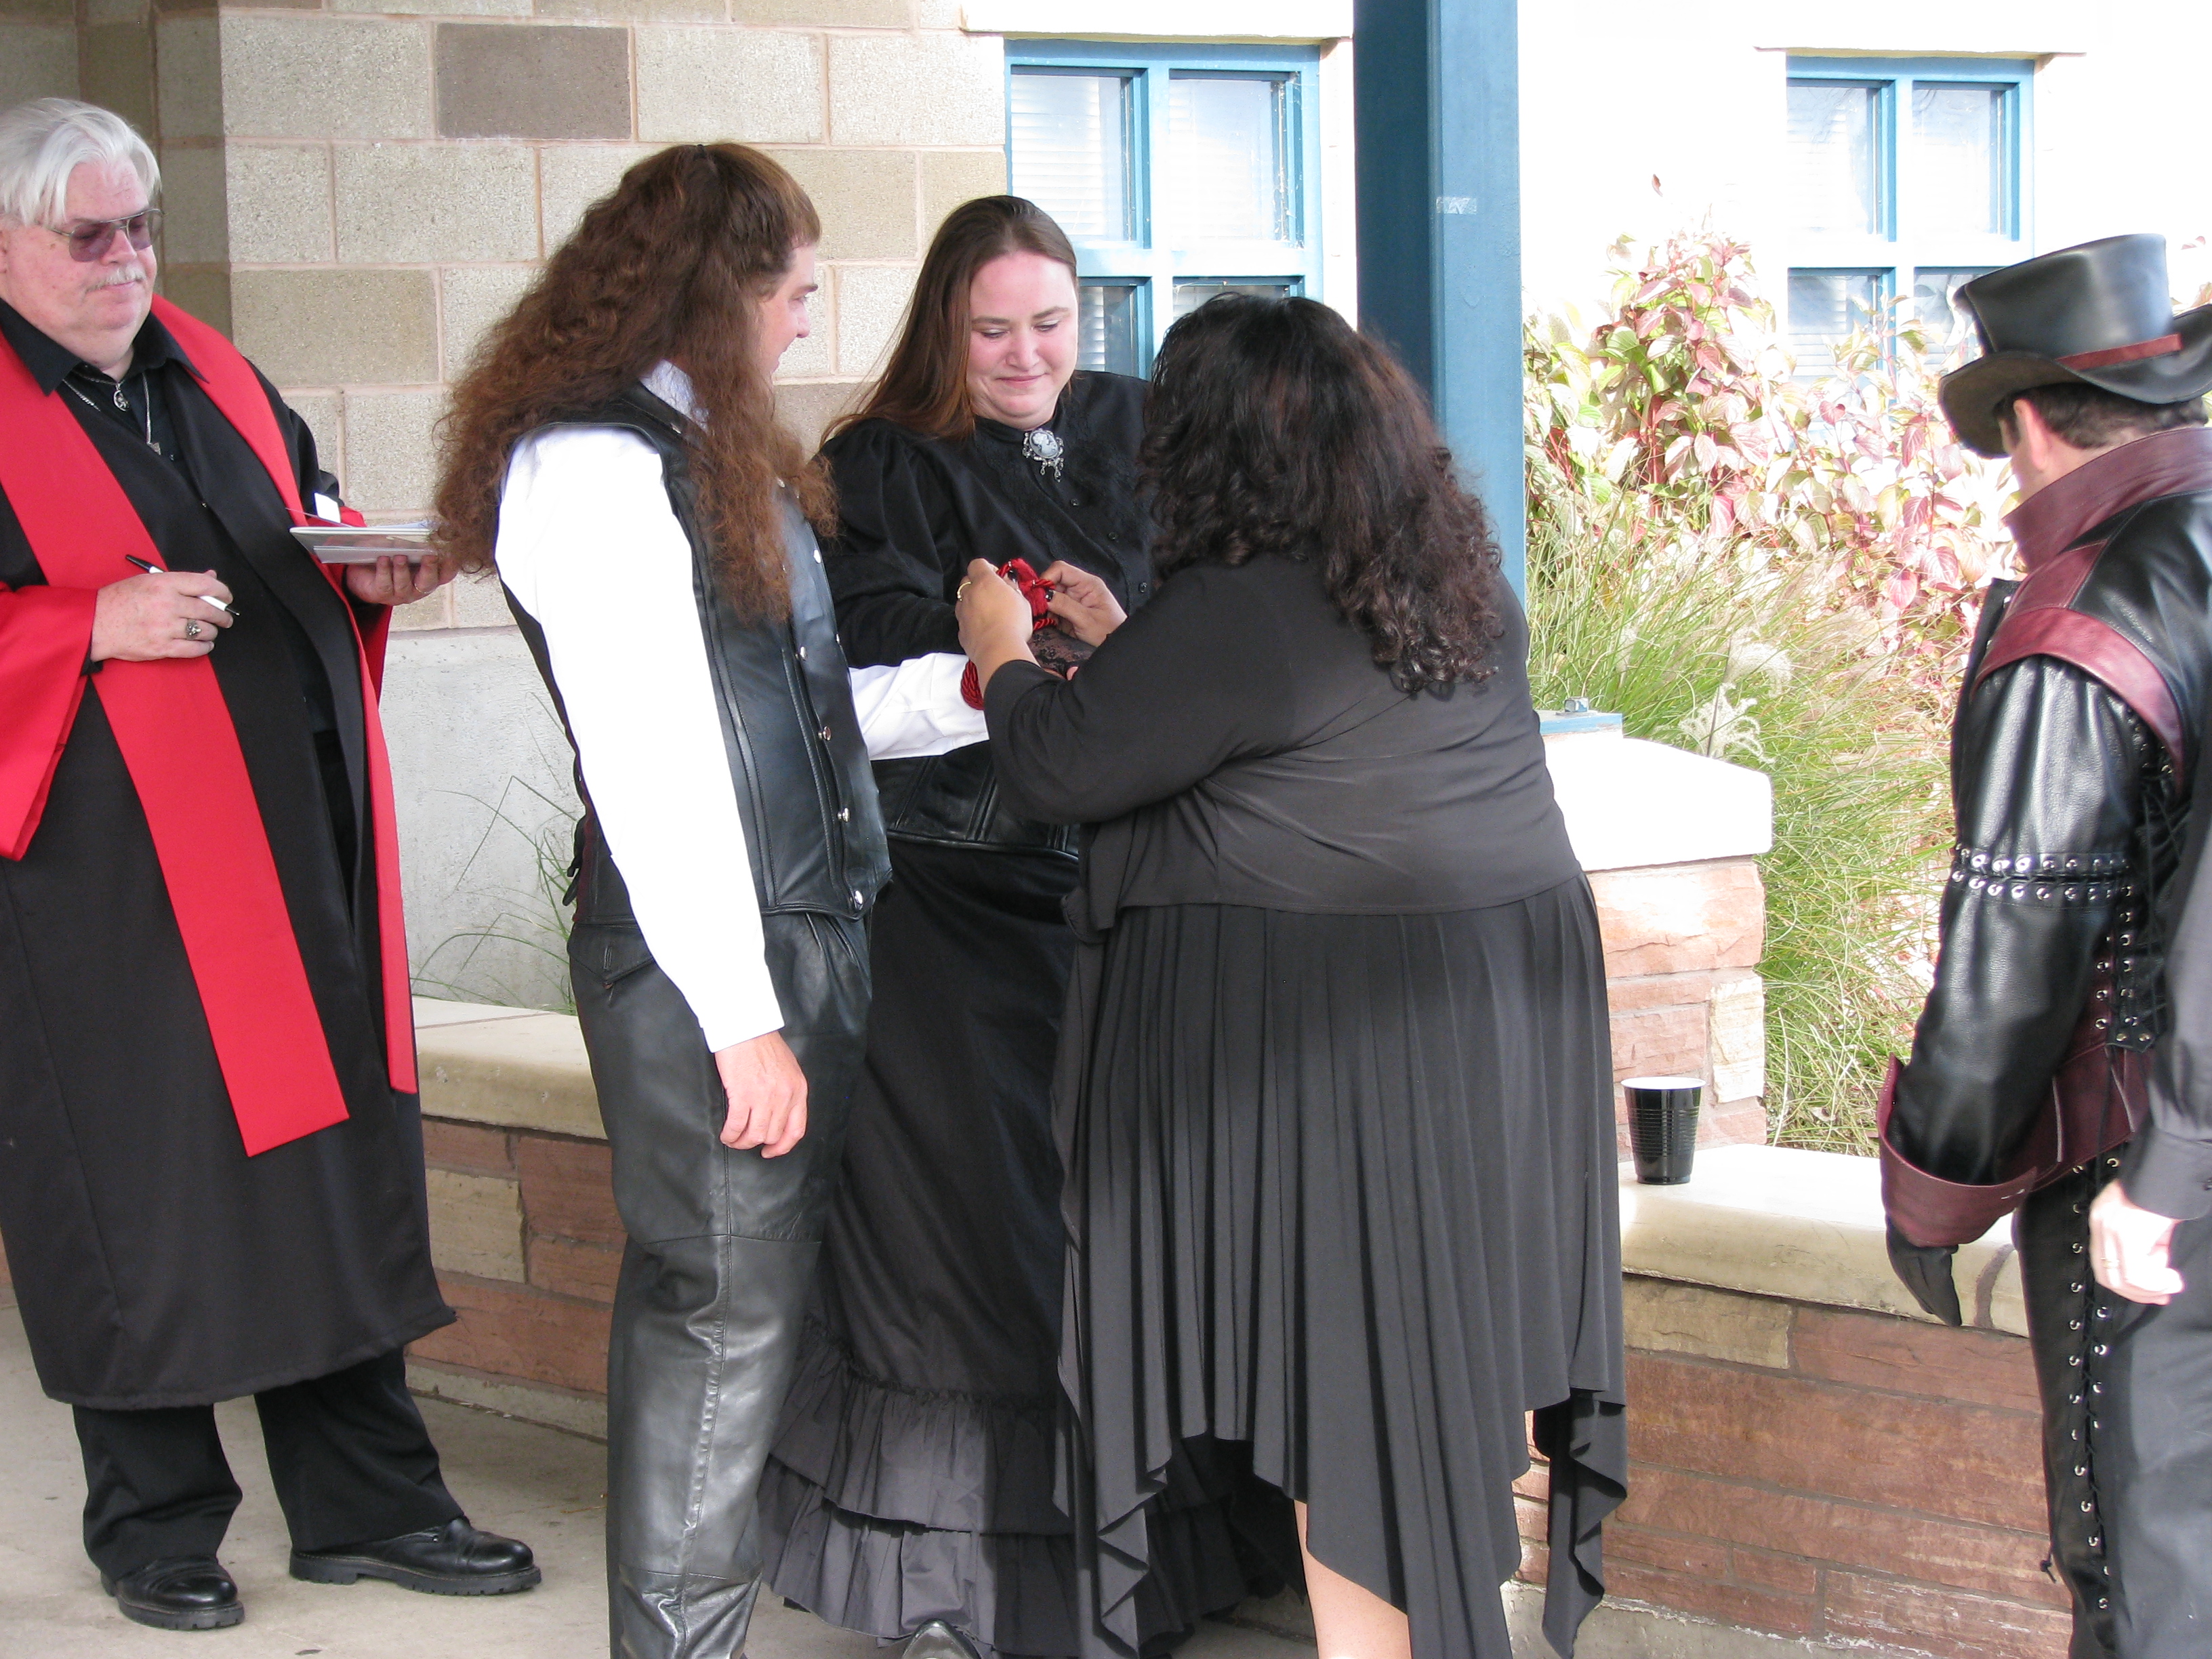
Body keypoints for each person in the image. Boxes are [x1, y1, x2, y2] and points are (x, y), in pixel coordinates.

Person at [957, 293, 1628, 1659]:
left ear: (1209, 451)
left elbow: (1061, 767)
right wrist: (1130, 640)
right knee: (1436, 1374)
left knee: (1359, 1403)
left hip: (1355, 1039)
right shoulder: (1455, 587)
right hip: (1508, 1016)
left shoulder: (1239, 610)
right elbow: (1283, 724)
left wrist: (1000, 654)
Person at [0, 98, 538, 1633]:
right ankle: (156, 1524)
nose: (127, 259)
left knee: (325, 1173)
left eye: (140, 227)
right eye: (88, 235)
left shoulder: (214, 371)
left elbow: (291, 527)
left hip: (291, 854)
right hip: (97, 898)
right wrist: (83, 624)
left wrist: (367, 567)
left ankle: (372, 1505)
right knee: (139, 1196)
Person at [760, 194, 1267, 1659]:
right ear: (944, 327)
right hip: (956, 900)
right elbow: (856, 660)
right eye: (992, 330)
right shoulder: (878, 460)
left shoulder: (1143, 427)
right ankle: (961, 1585)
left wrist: (1116, 642)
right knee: (982, 1251)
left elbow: (1223, 609)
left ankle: (1155, 1564)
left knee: (1124, 1227)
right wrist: (1005, 647)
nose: (1027, 354)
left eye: (1049, 321)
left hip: (1133, 891)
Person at [432, 143, 890, 1659]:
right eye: (793, 292)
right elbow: (651, 760)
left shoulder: (692, 448)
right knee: (720, 1320)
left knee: (734, 1311)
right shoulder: (596, 465)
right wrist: (740, 1017)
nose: (805, 321)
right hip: (711, 959)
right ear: (718, 293)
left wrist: (967, 690)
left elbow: (783, 706)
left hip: (777, 938)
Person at [1877, 234, 2212, 1658]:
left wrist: (1932, 1187)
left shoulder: (2078, 620)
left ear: (2023, 420)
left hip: (2138, 1172)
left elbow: (2015, 949)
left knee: (2144, 1572)